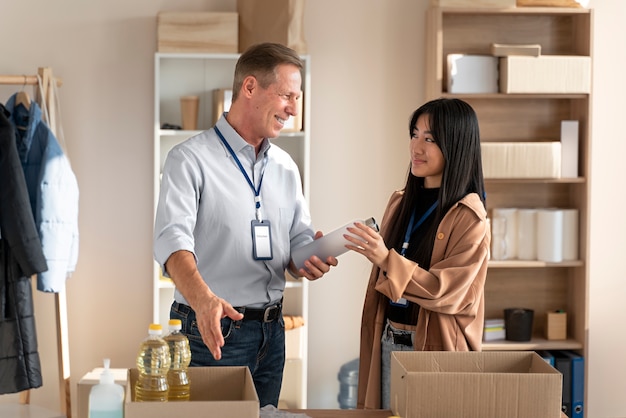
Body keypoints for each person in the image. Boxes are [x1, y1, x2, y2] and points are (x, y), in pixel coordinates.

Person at [153, 42, 337, 407]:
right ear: (249, 87)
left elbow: (296, 242)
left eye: (297, 98)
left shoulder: (285, 167)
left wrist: (308, 259)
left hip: (272, 332)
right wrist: (205, 301)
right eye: (287, 95)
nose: (294, 109)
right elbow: (171, 242)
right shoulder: (189, 159)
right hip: (212, 331)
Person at [344, 98, 490, 410]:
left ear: (456, 145)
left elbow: (447, 290)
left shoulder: (469, 216)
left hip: (435, 350)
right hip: (389, 341)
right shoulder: (400, 202)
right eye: (414, 134)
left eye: (430, 139)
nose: (416, 147)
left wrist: (385, 258)